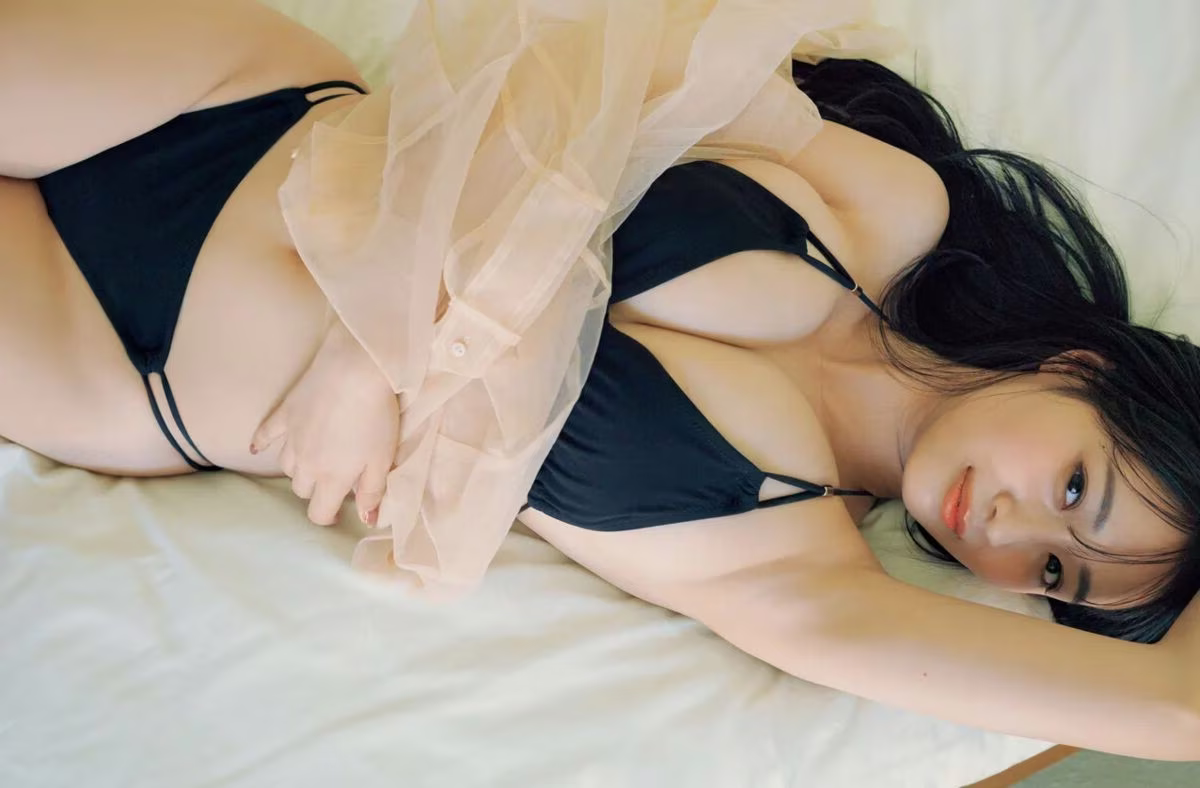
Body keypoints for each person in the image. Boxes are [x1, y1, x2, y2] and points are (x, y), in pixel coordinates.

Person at [2, 0, 1198, 760]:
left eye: (1056, 571)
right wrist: (371, 349)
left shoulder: (795, 570)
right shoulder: (890, 210)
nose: (1010, 532)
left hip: (122, 367)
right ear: (1082, 367)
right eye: (1076, 488)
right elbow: (586, 69)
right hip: (228, 106)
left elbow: (1183, 707)